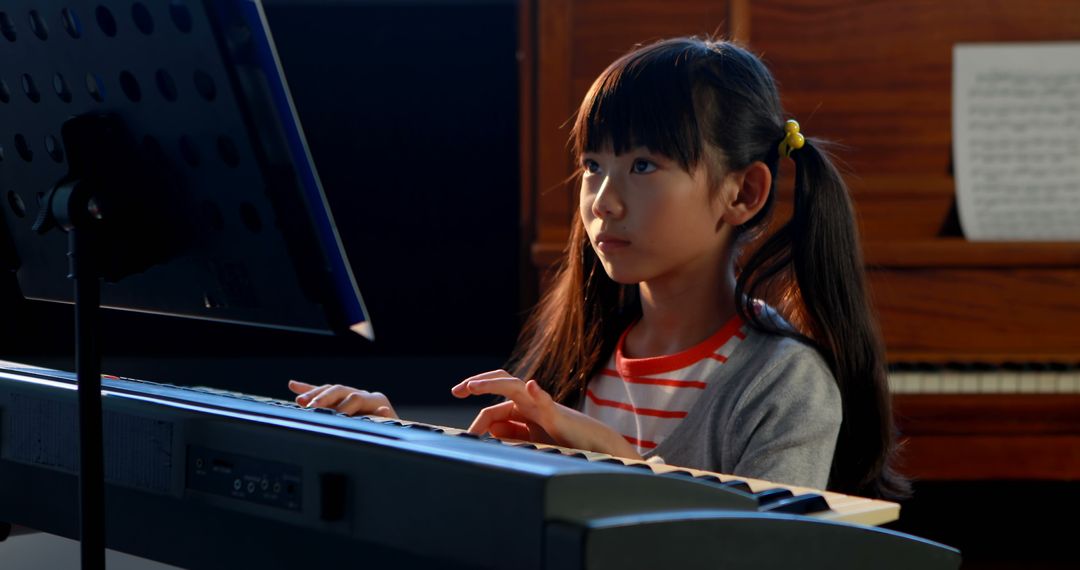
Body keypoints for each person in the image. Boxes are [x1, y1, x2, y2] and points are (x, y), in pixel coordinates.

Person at [288, 37, 909, 499]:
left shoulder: (785, 385)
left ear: (742, 193)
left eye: (643, 165)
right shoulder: (581, 351)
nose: (601, 201)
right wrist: (395, 442)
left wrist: (624, 466)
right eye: (593, 165)